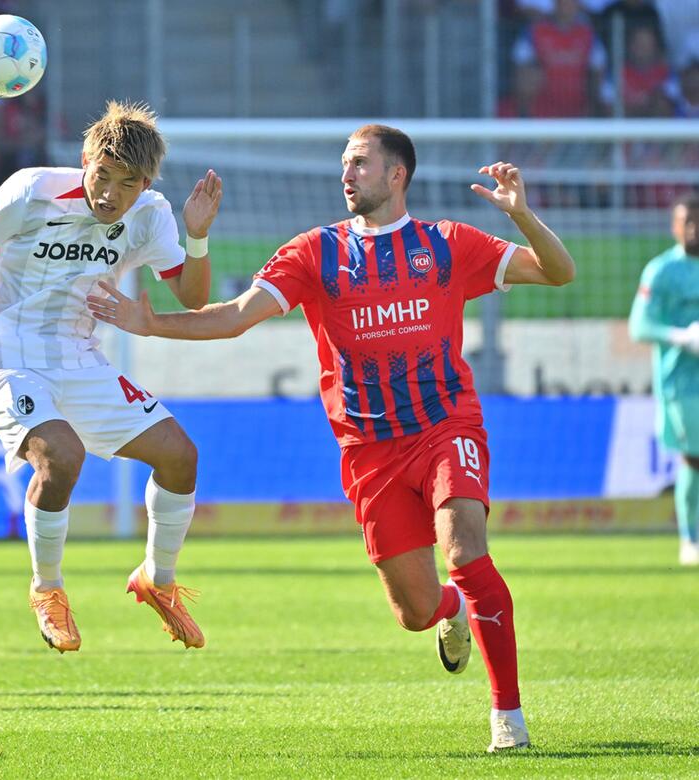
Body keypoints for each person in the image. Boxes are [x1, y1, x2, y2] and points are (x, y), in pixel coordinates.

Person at [88, 124, 576, 752]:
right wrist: (149, 322)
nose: (347, 173)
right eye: (344, 163)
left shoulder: (449, 244)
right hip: (369, 451)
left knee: (465, 547)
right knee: (415, 611)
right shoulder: (314, 253)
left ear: (397, 175)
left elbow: (558, 273)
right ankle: (453, 612)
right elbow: (235, 317)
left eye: (361, 163)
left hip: (444, 426)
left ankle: (507, 716)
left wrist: (524, 216)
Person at [0, 101, 222, 654]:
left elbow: (192, 298)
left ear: (145, 184)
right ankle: (47, 589)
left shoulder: (150, 213)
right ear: (85, 161)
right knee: (61, 456)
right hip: (6, 355)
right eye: (103, 176)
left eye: (128, 183)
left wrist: (196, 236)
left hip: (80, 357)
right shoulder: (33, 188)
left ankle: (157, 581)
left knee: (180, 457)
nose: (111, 195)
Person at [629, 192, 699, 566]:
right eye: (687, 222)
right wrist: (682, 336)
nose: (694, 229)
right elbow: (639, 325)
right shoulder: (661, 270)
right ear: (674, 226)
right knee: (694, 458)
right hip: (682, 385)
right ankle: (691, 539)